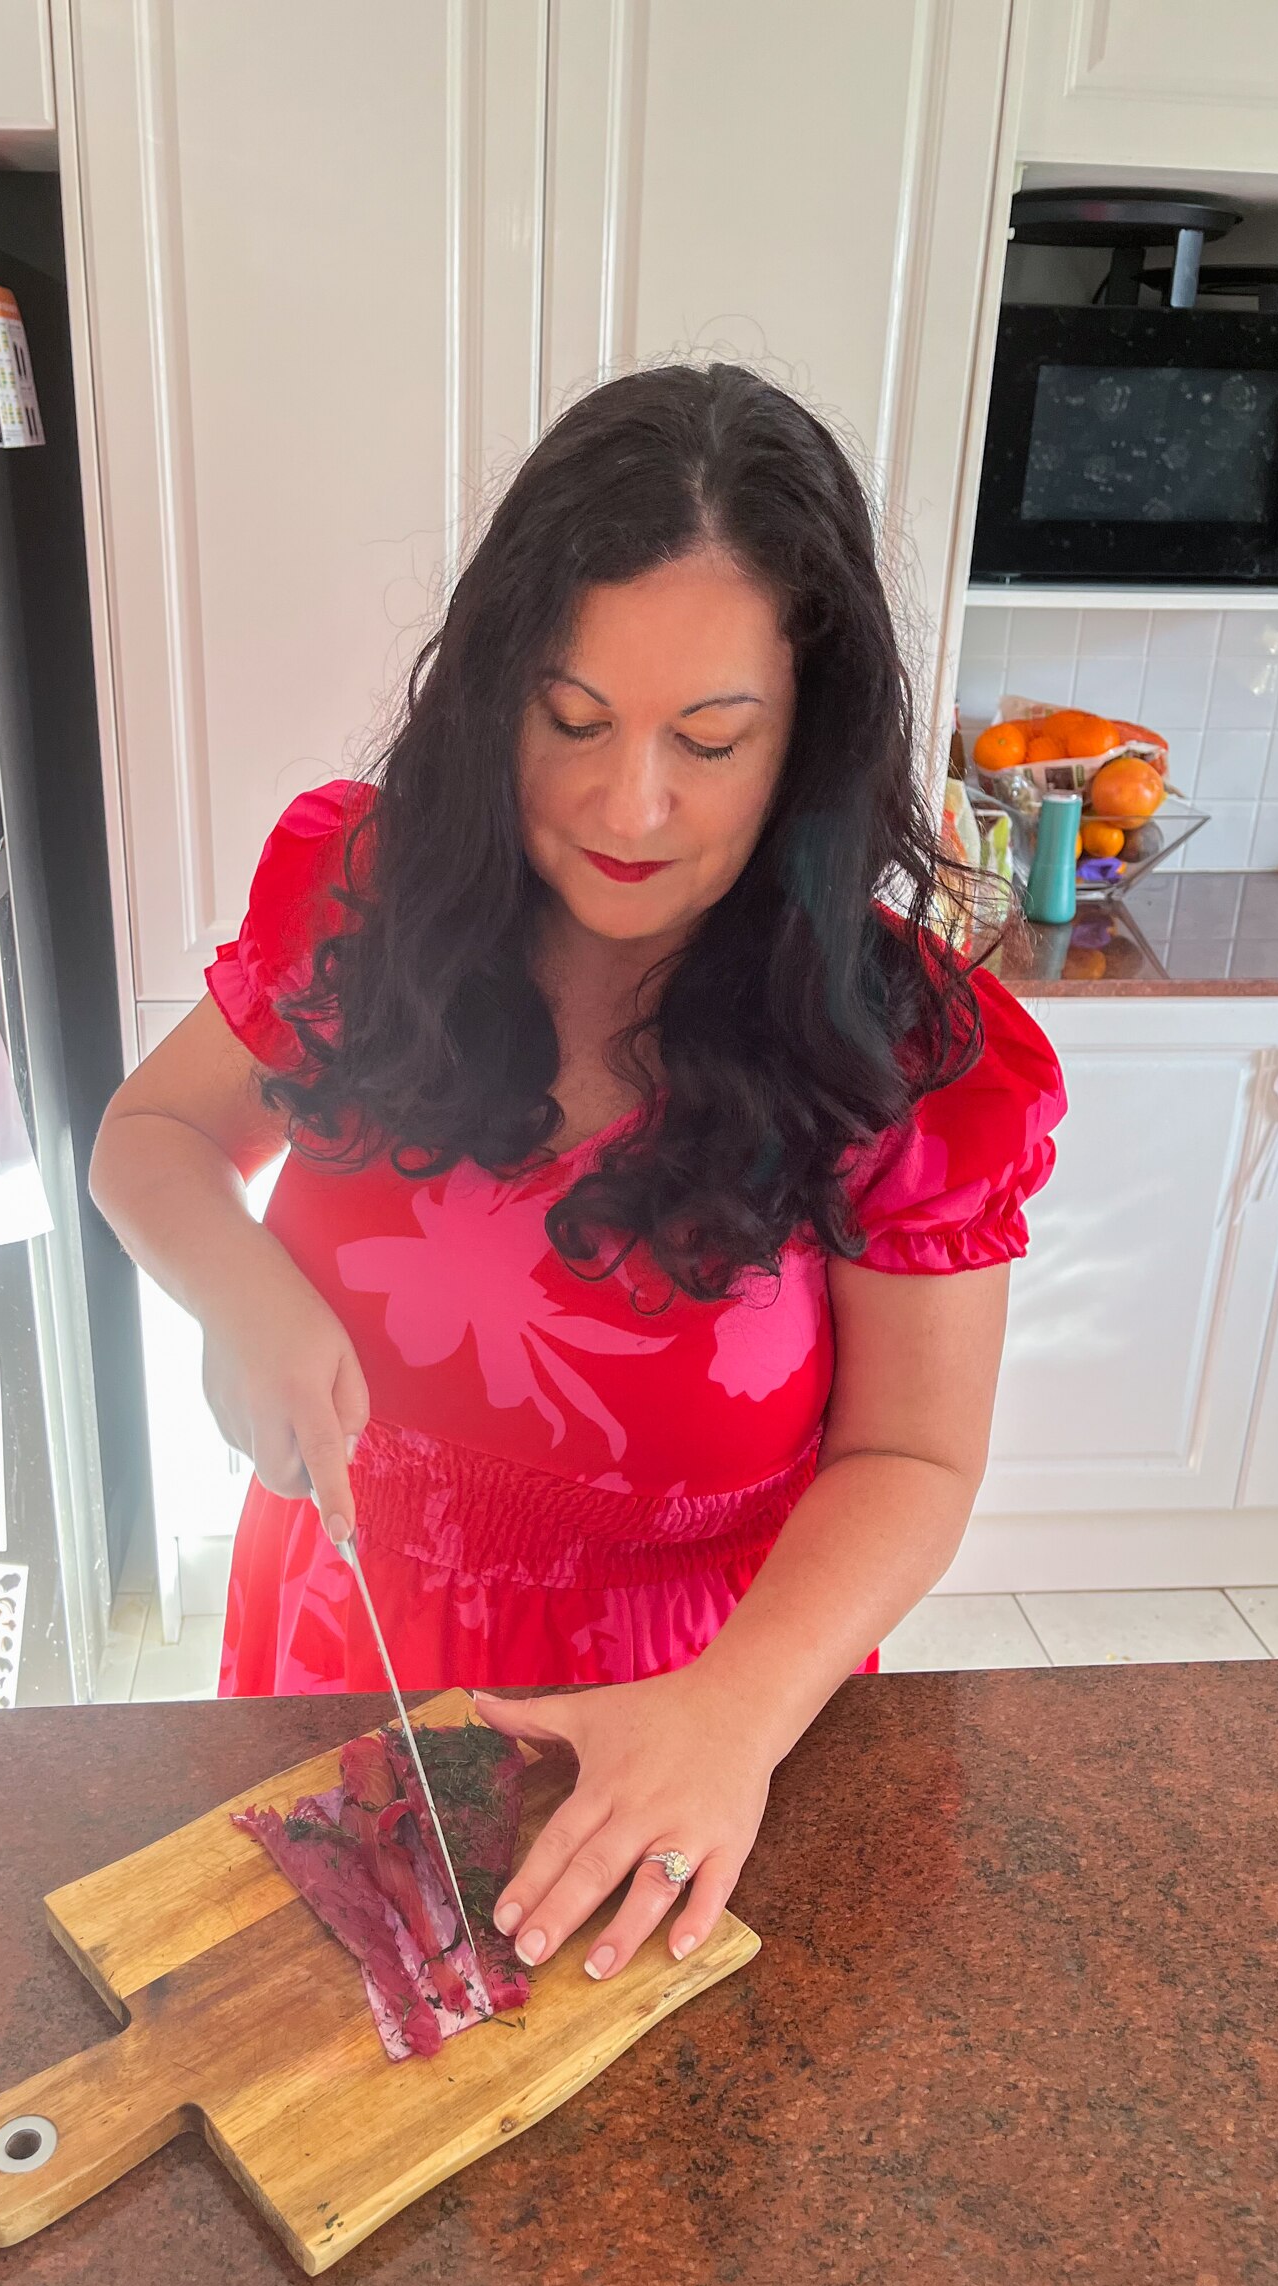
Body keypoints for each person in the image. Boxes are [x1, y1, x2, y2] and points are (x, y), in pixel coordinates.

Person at [90, 363, 1066, 1984]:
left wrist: (733, 1720)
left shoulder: (899, 1050)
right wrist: (237, 1293)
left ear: (805, 745)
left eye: (709, 740)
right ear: (496, 700)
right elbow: (152, 1139)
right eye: (571, 721)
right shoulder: (370, 893)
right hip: (353, 1642)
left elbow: (912, 1456)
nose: (631, 805)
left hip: (702, 1705)